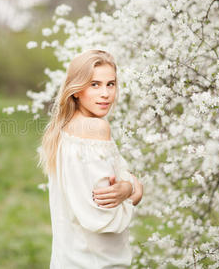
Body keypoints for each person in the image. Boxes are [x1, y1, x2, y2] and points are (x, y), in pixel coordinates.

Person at [38, 49, 144, 268]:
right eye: (94, 84)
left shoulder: (63, 129)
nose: (105, 93)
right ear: (76, 90)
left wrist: (126, 186)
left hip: (68, 258)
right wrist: (132, 189)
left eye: (110, 84)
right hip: (95, 261)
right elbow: (104, 215)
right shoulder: (95, 128)